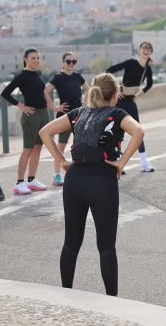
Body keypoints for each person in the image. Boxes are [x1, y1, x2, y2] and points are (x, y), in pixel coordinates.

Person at [39, 73, 145, 295]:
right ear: (115, 95)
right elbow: (139, 131)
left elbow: (45, 132)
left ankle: (66, 293)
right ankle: (111, 300)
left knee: (71, 243)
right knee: (106, 247)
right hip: (102, 180)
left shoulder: (79, 113)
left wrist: (61, 161)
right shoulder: (117, 114)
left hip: (74, 179)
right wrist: (121, 162)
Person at [1, 48, 56, 195]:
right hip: (30, 116)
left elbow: (44, 92)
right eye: (33, 58)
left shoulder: (37, 74)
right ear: (25, 59)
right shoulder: (22, 76)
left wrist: (53, 107)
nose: (36, 61)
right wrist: (21, 106)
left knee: (38, 148)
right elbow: (5, 93)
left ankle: (31, 180)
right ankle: (19, 182)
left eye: (38, 58)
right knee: (28, 149)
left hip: (43, 114)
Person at [106, 41, 154, 172]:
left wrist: (138, 94)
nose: (146, 50)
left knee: (138, 131)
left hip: (131, 102)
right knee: (117, 131)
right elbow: (109, 71)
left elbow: (150, 84)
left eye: (148, 49)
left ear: (150, 53)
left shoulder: (147, 69)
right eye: (143, 48)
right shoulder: (131, 62)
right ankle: (115, 162)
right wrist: (116, 90)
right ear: (139, 50)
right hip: (120, 101)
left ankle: (144, 162)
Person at [44, 51, 87, 186]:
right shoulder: (58, 77)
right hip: (64, 116)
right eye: (68, 61)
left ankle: (80, 172)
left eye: (74, 62)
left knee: (80, 145)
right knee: (60, 147)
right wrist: (54, 107)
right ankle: (57, 175)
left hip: (79, 115)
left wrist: (84, 103)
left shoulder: (78, 76)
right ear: (63, 62)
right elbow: (46, 91)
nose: (71, 64)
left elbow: (89, 89)